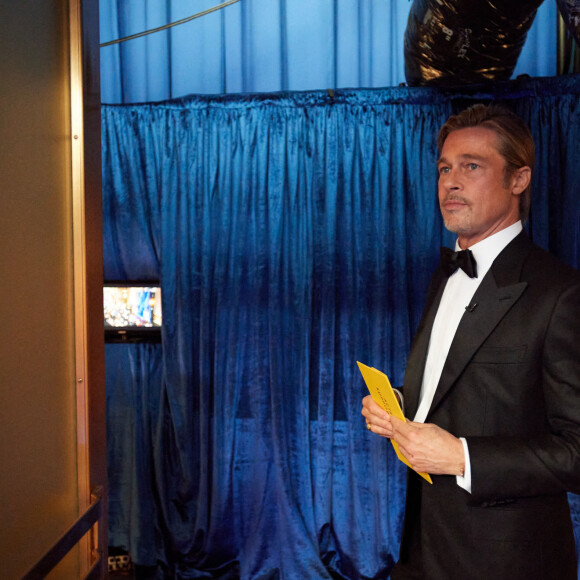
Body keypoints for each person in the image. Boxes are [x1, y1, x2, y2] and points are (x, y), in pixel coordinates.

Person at [361, 103, 580, 579]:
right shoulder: (444, 277)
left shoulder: (562, 293)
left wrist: (461, 456)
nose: (450, 182)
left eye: (471, 166)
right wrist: (395, 405)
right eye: (444, 168)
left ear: (519, 180)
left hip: (507, 563)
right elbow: (451, 394)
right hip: (421, 549)